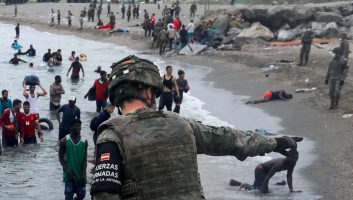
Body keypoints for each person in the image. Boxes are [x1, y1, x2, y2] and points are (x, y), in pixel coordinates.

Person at [89, 55, 303, 199]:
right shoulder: (182, 124)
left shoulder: (111, 136)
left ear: (116, 96)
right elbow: (233, 140)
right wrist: (275, 142)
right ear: (148, 92)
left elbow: (104, 192)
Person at [229, 148, 301, 193]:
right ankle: (243, 185)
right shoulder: (280, 164)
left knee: (256, 188)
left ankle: (235, 183)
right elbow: (268, 176)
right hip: (260, 170)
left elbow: (289, 176)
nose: (296, 159)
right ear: (289, 157)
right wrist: (263, 190)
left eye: (297, 157)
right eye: (294, 157)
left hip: (265, 172)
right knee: (262, 191)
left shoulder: (292, 163)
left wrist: (291, 189)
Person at [59, 119, 87, 200]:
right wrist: (67, 171)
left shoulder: (84, 142)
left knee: (81, 195)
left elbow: (85, 160)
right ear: (71, 127)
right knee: (68, 196)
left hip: (80, 175)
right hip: (68, 176)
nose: (79, 128)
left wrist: (83, 176)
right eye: (77, 126)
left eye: (80, 126)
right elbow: (61, 158)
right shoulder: (64, 141)